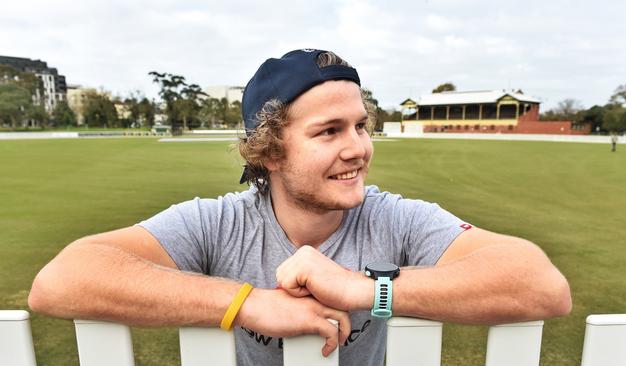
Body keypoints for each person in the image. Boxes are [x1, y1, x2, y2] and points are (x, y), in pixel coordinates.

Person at [28, 49, 571, 366]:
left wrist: (366, 289)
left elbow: (541, 285)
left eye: (360, 125)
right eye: (329, 131)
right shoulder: (218, 223)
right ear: (267, 150)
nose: (358, 147)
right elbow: (61, 280)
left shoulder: (394, 217)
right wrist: (246, 302)